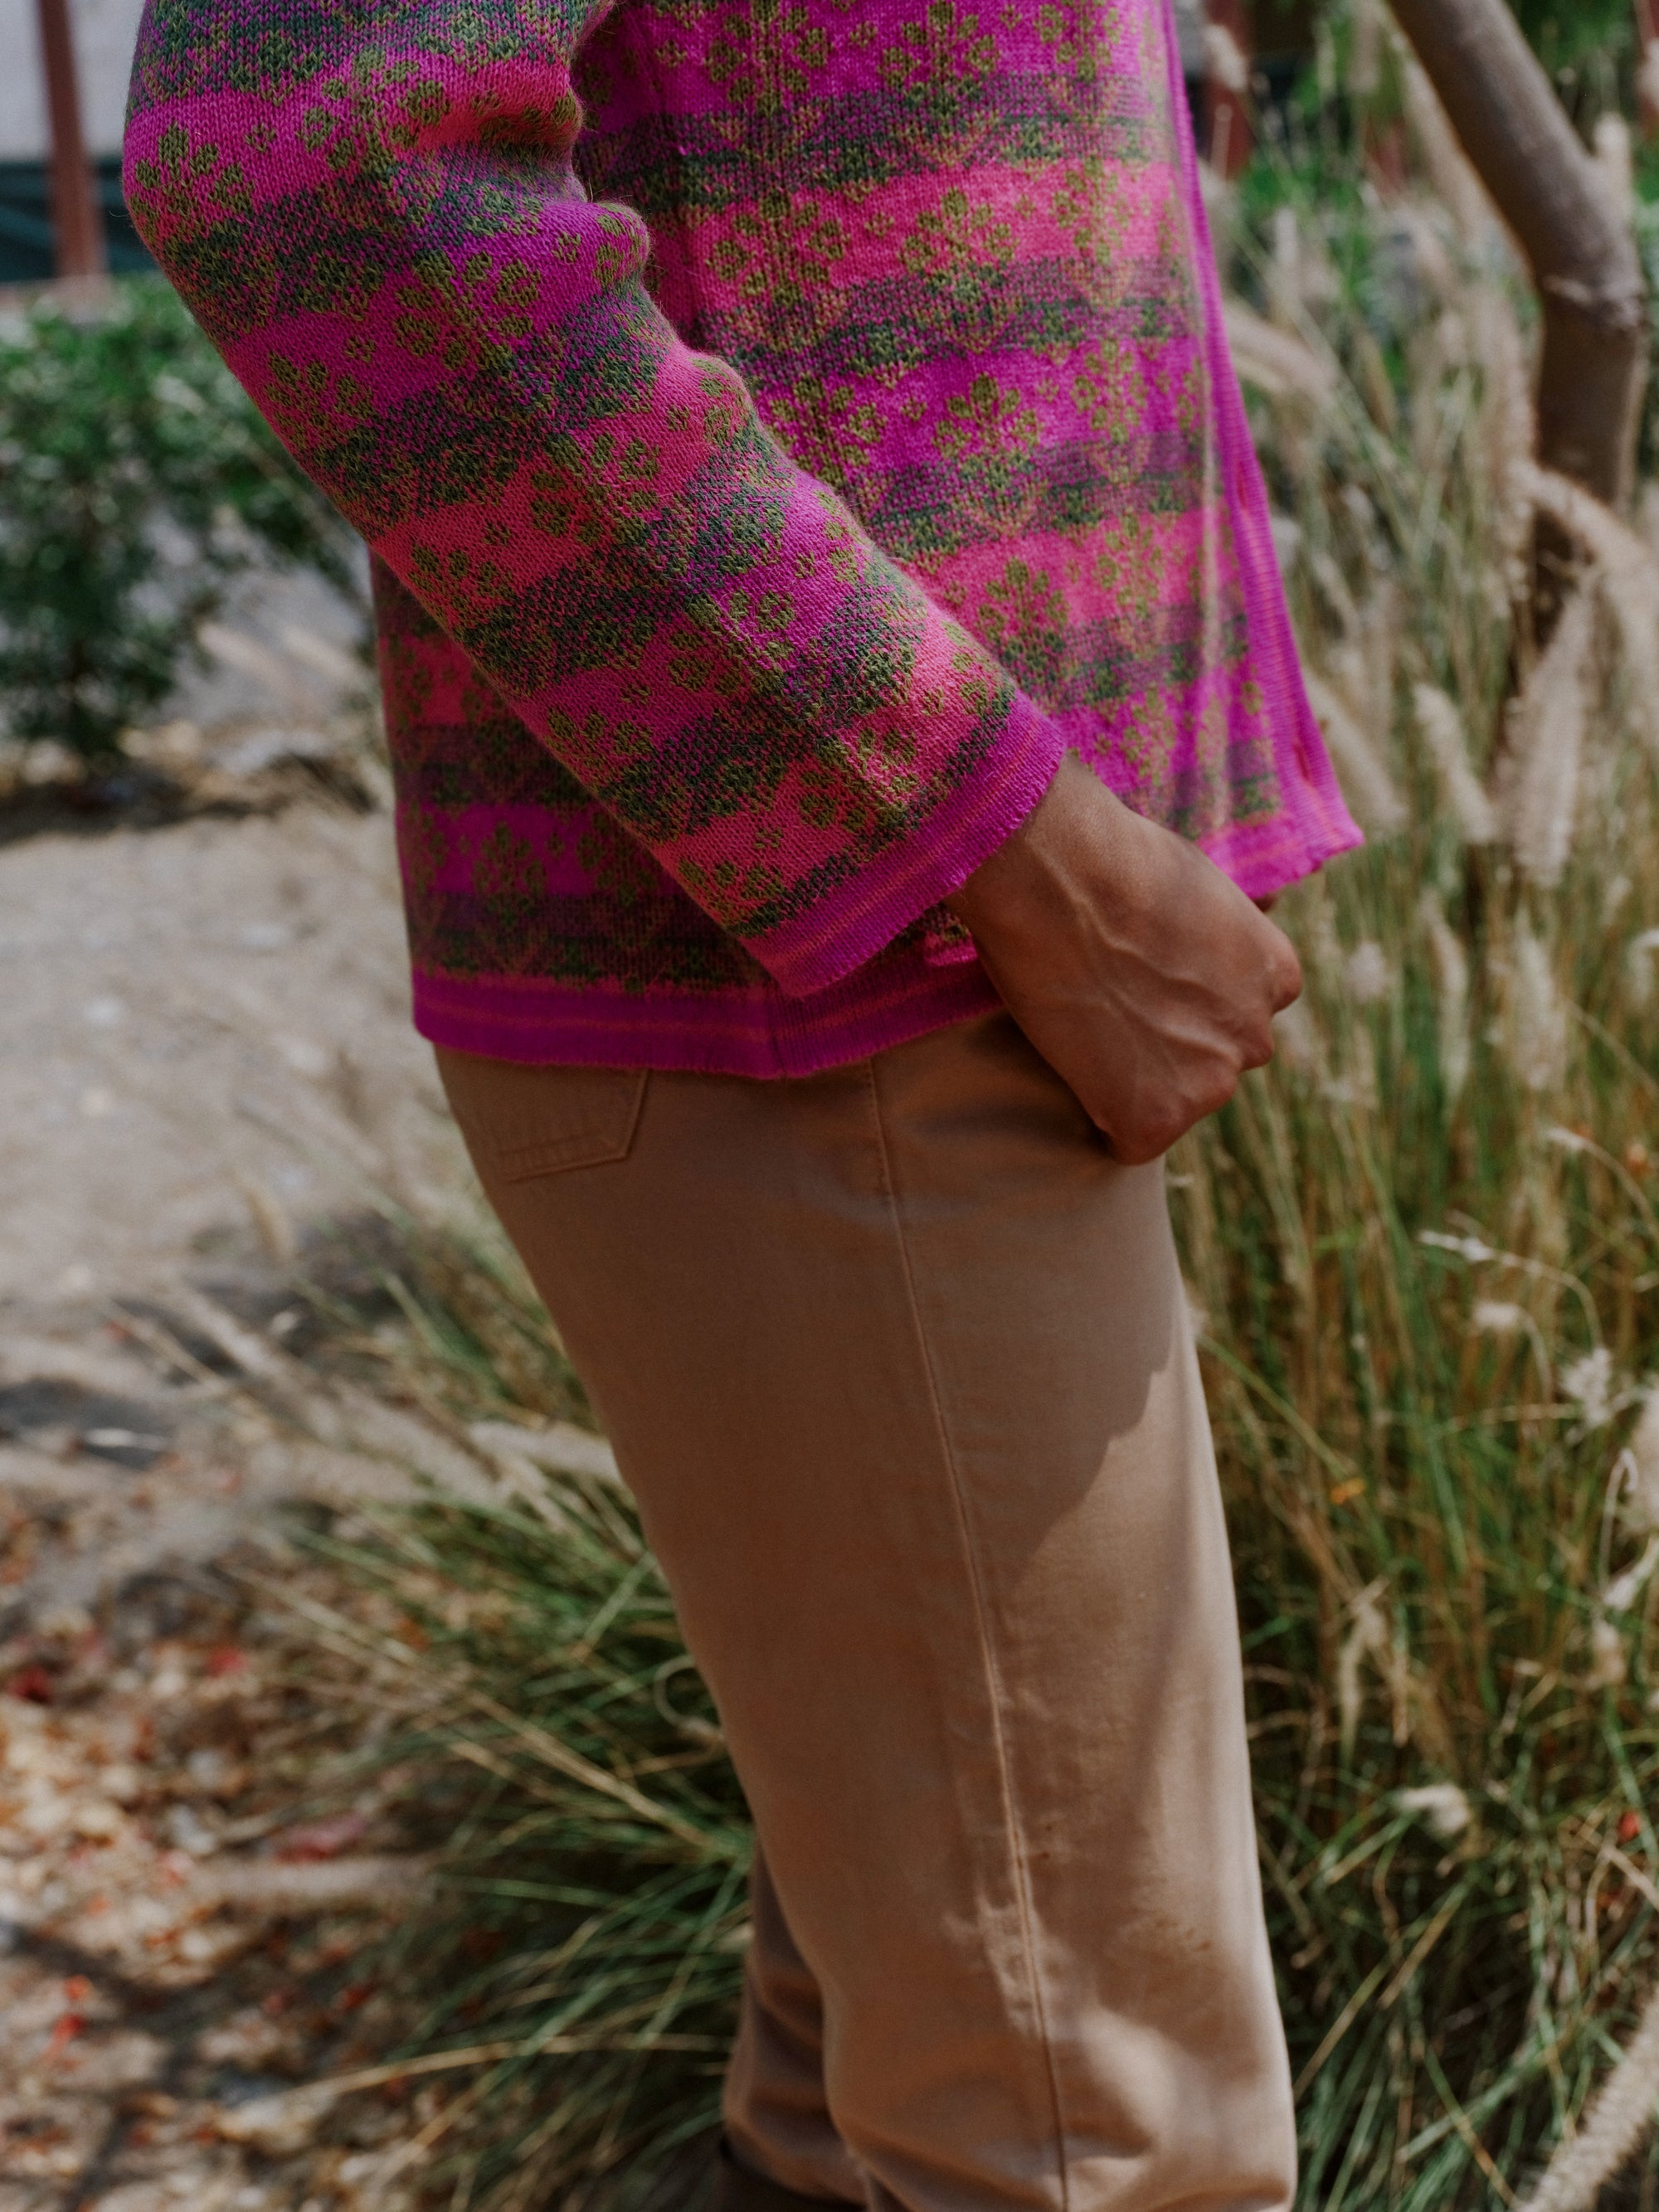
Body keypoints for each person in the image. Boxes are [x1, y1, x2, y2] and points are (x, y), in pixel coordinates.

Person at [126, 1, 1360, 2203]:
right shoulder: (961, 903)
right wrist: (1012, 846)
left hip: (920, 976)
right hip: (841, 981)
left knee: (898, 2092)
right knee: (1092, 2142)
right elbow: (302, 151)